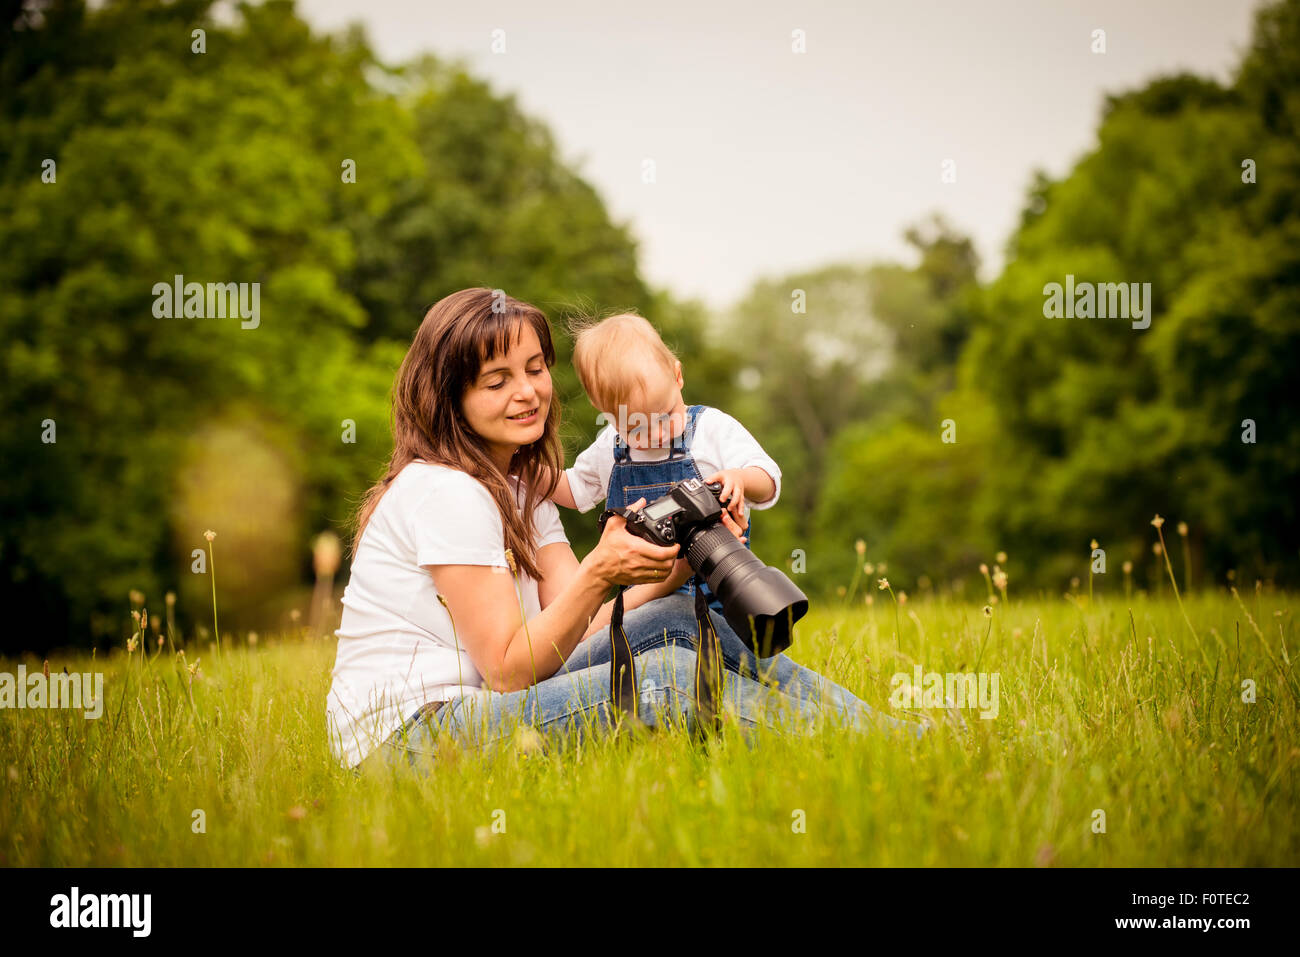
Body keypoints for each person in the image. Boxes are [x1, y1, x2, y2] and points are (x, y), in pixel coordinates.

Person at [325, 288, 925, 772]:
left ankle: (890, 737)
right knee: (663, 684)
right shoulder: (445, 490)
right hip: (410, 738)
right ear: (450, 398)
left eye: (535, 369)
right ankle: (870, 754)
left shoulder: (522, 486)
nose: (528, 392)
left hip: (483, 706)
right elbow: (509, 670)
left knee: (678, 622)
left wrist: (681, 562)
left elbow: (576, 637)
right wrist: (600, 569)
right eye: (497, 380)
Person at [548, 312, 779, 620]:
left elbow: (768, 481)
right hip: (643, 606)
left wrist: (742, 478)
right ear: (604, 412)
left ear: (677, 375)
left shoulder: (710, 429)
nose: (657, 434)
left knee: (739, 654)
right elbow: (574, 490)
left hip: (721, 592)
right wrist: (532, 475)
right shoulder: (611, 447)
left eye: (666, 415)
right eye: (636, 428)